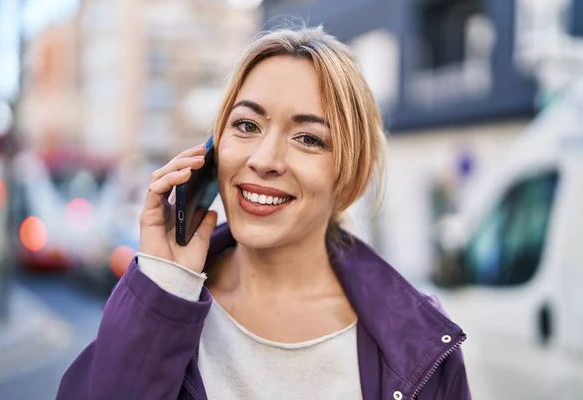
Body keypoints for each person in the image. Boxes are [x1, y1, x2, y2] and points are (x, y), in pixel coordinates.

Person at [58, 26, 471, 400]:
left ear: (350, 173)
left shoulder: (418, 343)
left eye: (309, 138)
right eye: (247, 126)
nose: (265, 158)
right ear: (213, 148)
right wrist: (164, 287)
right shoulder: (160, 301)